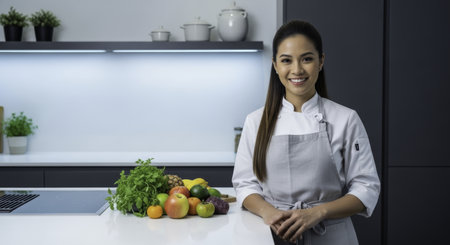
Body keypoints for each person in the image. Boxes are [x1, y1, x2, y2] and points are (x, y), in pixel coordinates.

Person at [232, 20, 380, 245]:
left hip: (332, 235)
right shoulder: (255, 122)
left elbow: (366, 187)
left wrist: (318, 212)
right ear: (275, 65)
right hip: (273, 234)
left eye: (307, 59)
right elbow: (245, 184)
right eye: (286, 60)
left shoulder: (346, 119)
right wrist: (268, 212)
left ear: (321, 61)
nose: (297, 70)